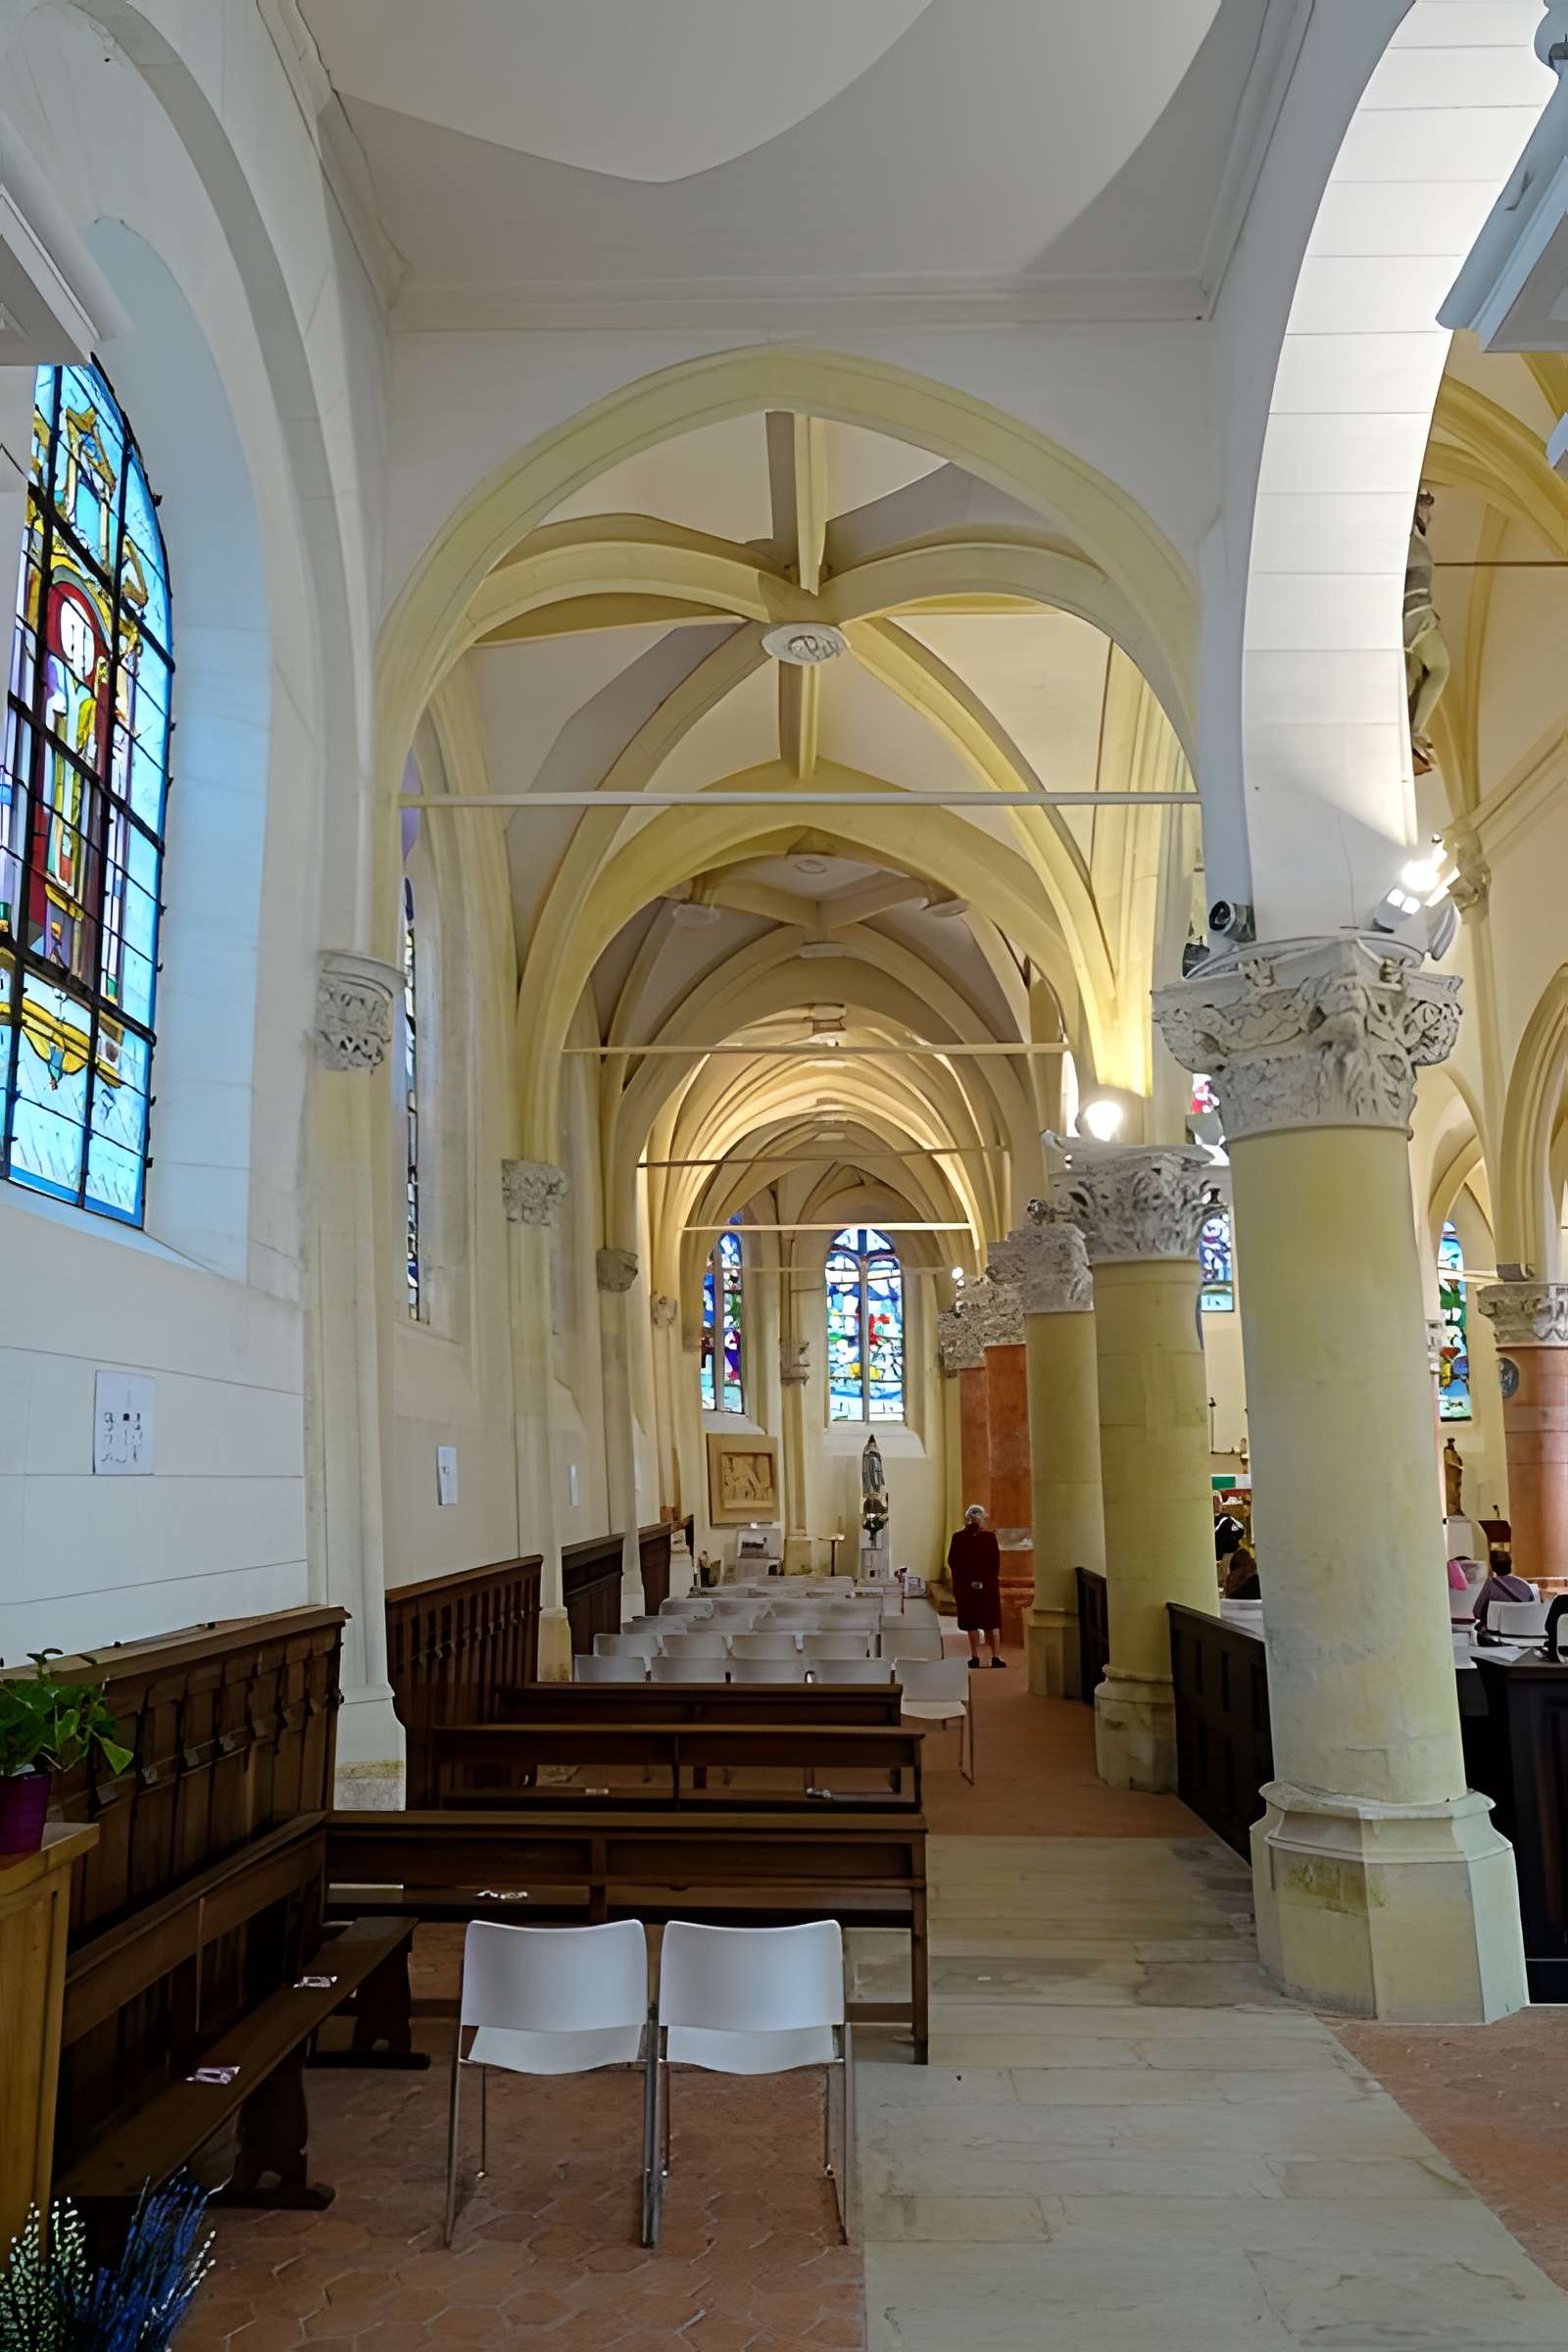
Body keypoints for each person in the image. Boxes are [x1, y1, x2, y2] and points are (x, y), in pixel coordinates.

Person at [947, 1502, 1004, 1669]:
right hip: (987, 1587)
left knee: (971, 1623)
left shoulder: (958, 1537)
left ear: (967, 1519)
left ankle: (975, 1657)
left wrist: (964, 1580)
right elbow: (995, 1562)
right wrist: (988, 1580)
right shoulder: (990, 1537)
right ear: (982, 1519)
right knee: (991, 1622)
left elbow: (952, 1561)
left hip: (966, 1587)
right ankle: (995, 1657)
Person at [1472, 1548, 1536, 1633]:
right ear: (1510, 1566)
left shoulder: (1491, 1584)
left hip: (1496, 1634)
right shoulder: (1524, 1585)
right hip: (1521, 1632)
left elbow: (1477, 1612)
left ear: (1492, 1567)